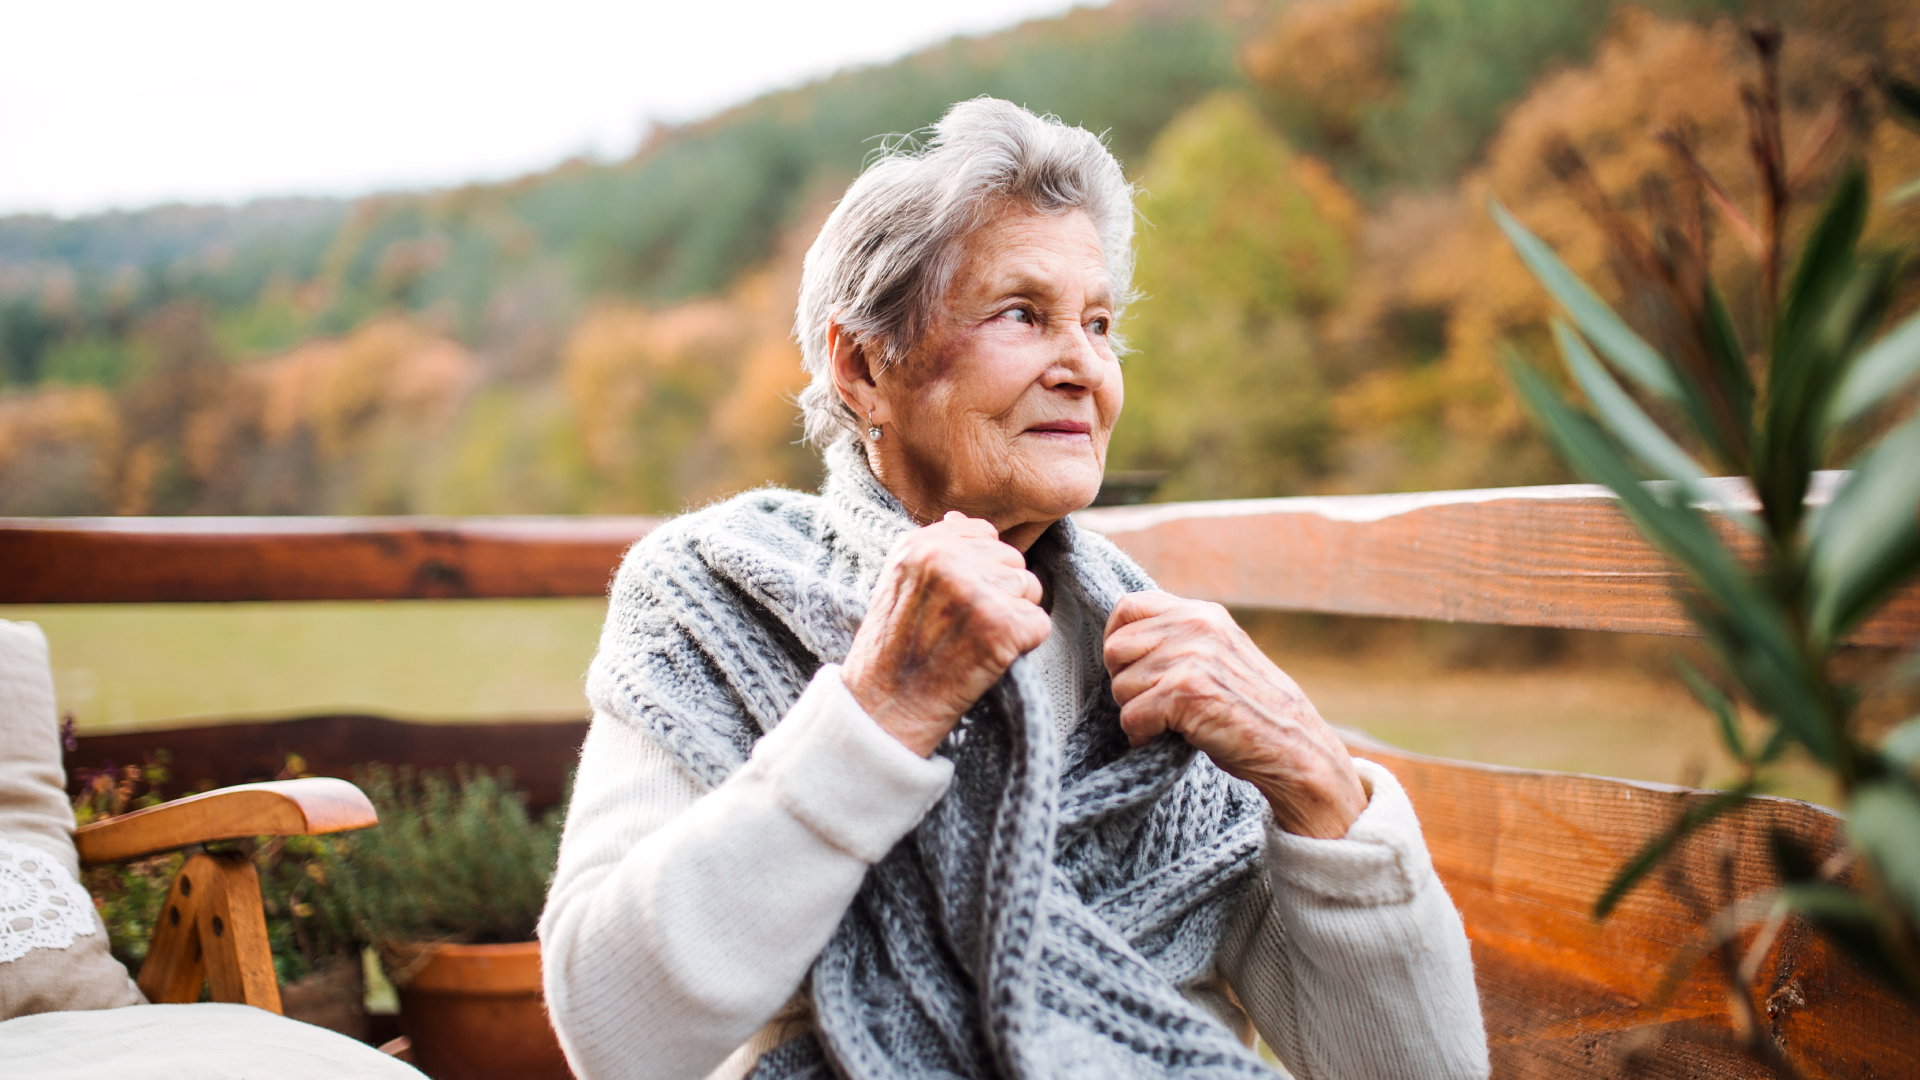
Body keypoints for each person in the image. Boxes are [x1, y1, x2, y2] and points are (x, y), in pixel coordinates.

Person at [539, 98, 1489, 1080]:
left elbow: (1426, 1072)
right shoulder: (713, 597)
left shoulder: (1163, 671)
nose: (1083, 366)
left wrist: (1319, 781)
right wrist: (881, 712)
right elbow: (616, 1035)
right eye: (1022, 315)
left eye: (1100, 323)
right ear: (863, 364)